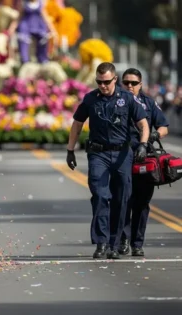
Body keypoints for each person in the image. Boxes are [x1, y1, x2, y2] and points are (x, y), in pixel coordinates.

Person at [66, 62, 150, 260]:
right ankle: (101, 243)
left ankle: (114, 242)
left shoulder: (127, 98)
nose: (102, 86)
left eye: (106, 82)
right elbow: (77, 124)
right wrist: (70, 150)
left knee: (122, 199)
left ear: (114, 80)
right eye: (99, 82)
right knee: (100, 195)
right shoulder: (90, 99)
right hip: (98, 154)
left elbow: (143, 125)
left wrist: (143, 145)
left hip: (122, 154)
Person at [116, 68, 169, 257]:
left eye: (133, 83)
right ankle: (123, 239)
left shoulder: (148, 103)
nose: (129, 86)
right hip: (121, 157)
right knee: (123, 200)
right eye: (126, 83)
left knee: (142, 202)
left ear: (141, 85)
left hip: (143, 156)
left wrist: (154, 134)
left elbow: (164, 126)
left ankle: (137, 243)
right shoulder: (115, 101)